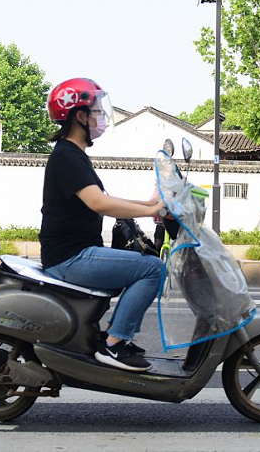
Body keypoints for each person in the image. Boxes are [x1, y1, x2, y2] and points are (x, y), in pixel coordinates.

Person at [40, 77, 165, 372]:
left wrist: (150, 205)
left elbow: (104, 198)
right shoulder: (67, 157)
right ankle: (114, 343)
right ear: (80, 116)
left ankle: (112, 338)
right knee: (153, 268)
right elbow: (99, 204)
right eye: (96, 111)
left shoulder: (73, 156)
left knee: (144, 265)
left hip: (76, 253)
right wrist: (150, 212)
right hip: (71, 258)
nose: (102, 117)